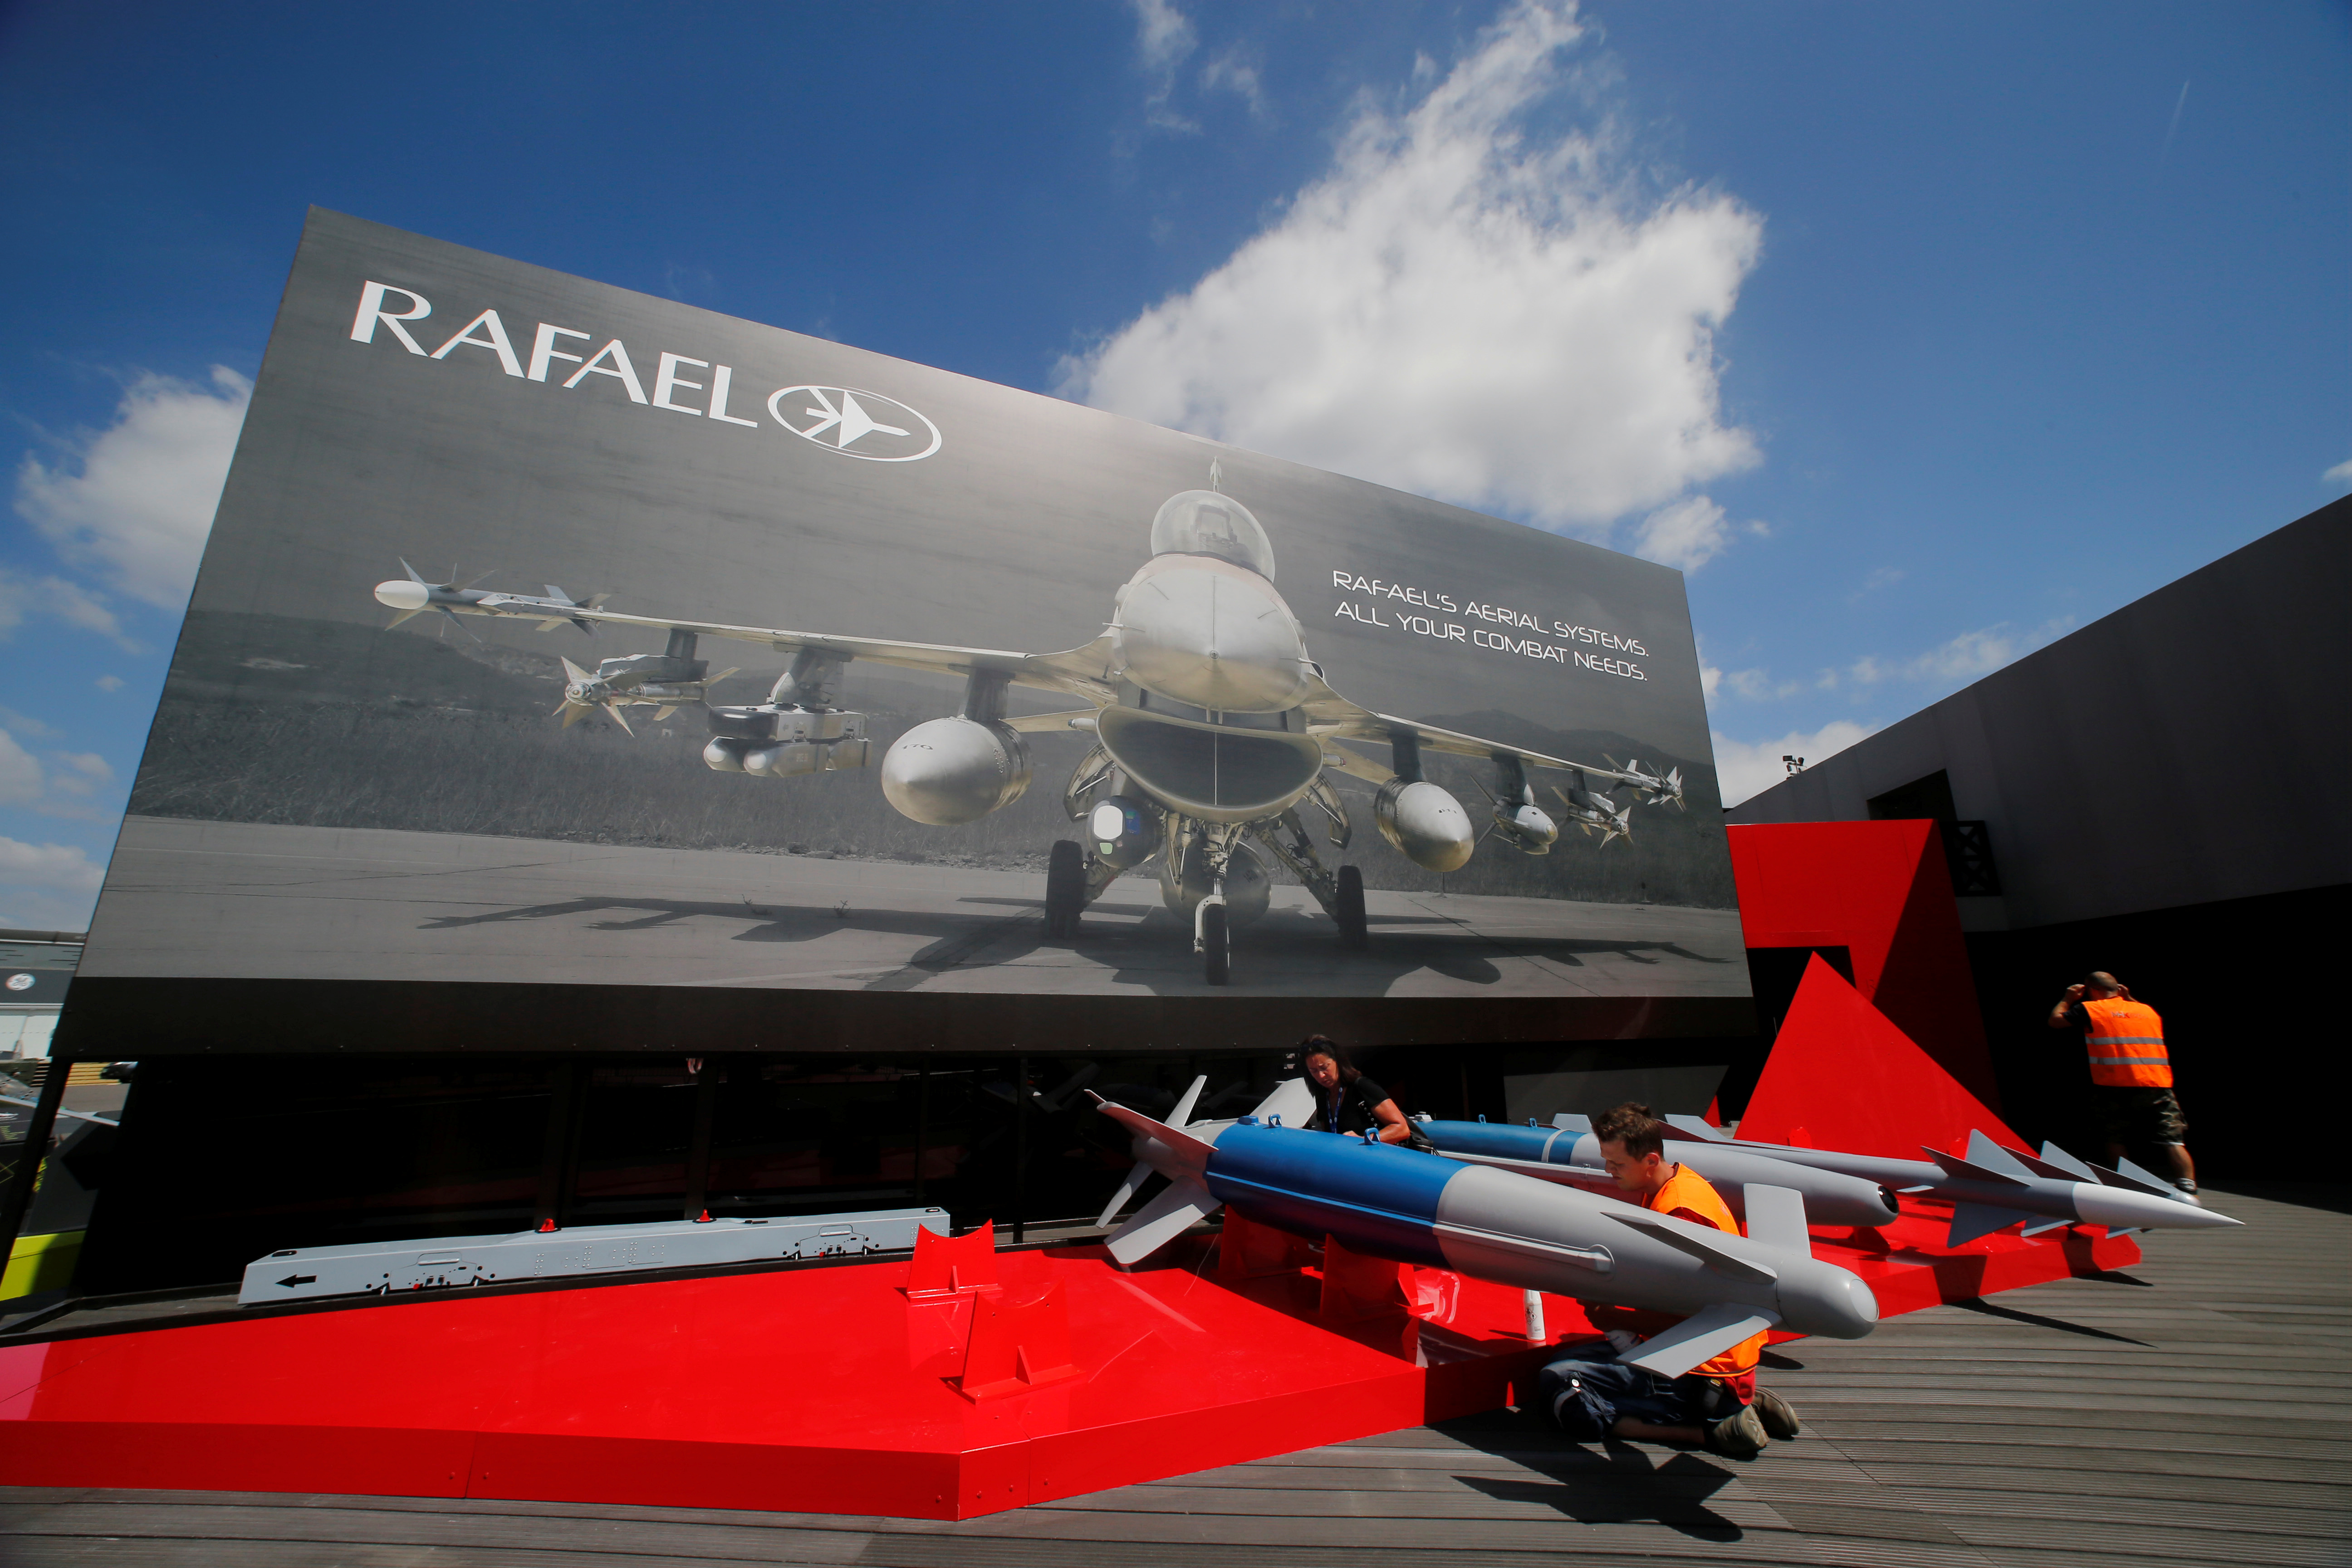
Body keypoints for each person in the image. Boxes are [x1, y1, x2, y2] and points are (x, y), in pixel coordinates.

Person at [1533, 1102, 1801, 1460]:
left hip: (1700, 1369)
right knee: (1570, 1358)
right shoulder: (1683, 1183)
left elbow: (1692, 1323)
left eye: (1617, 1164)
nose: (1609, 1171)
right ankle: (1736, 1401)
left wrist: (1615, 1317)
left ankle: (1707, 1428)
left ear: (1650, 1161)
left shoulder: (1680, 1216)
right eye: (1606, 1161)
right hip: (1729, 1361)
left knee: (1559, 1382)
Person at [2047, 971, 2198, 1200]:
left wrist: (2068, 998)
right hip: (2155, 1083)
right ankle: (2188, 1186)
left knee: (2114, 1136)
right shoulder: (2147, 1010)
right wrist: (2129, 998)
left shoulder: (2091, 1008)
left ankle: (2126, 1183)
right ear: (2119, 989)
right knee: (2172, 1139)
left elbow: (2055, 1021)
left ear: (2092, 990)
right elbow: (2134, 1014)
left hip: (2114, 1086)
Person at [1298, 1037, 1412, 1144]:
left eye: (1324, 1067)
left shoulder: (1362, 1086)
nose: (1321, 1075)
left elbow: (1402, 1129)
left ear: (1338, 1062)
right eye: (1314, 1071)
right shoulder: (1323, 1095)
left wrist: (1363, 1140)